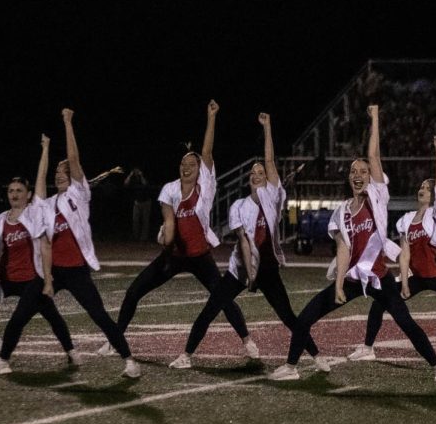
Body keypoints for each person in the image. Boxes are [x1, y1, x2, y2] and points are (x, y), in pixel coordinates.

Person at [270, 105, 436, 383]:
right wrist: (340, 284)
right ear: (349, 177)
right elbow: (343, 249)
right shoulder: (342, 211)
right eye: (353, 171)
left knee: (405, 322)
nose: (358, 174)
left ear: (371, 177)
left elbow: (373, 155)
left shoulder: (377, 198)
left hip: (380, 278)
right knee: (306, 315)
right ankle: (293, 366)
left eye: (363, 171)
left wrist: (376, 119)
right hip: (355, 278)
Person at [104, 100, 257, 358]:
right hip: (173, 257)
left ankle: (247, 340)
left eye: (192, 165)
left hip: (200, 258)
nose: (186, 167)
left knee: (222, 298)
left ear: (200, 171)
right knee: (133, 292)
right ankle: (114, 341)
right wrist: (166, 240)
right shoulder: (169, 189)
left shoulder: (205, 188)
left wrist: (211, 117)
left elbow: (206, 152)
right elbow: (170, 220)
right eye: (183, 164)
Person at [170, 113, 324, 369]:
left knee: (287, 316)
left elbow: (270, 160)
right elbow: (242, 240)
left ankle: (318, 356)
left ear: (267, 177)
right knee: (211, 308)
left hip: (268, 270)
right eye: (253, 172)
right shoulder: (238, 206)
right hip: (241, 269)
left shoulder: (274, 196)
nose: (257, 173)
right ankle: (186, 355)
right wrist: (249, 272)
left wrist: (267, 128)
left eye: (261, 171)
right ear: (248, 179)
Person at [347, 133, 436, 362]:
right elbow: (405, 254)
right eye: (421, 186)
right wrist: (403, 281)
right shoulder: (407, 219)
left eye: (426, 187)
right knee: (380, 302)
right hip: (418, 277)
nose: (422, 189)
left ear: (434, 196)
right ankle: (368, 348)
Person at [41, 109, 140, 378]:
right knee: (30, 305)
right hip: (54, 271)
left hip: (75, 270)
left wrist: (68, 123)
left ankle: (129, 360)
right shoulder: (50, 205)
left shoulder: (79, 193)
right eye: (57, 173)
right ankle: (65, 352)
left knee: (99, 315)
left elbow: (73, 158)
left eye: (64, 172)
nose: (60, 175)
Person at [0, 140, 77, 374]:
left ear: (29, 194)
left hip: (33, 279)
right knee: (51, 314)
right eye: (11, 190)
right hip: (8, 280)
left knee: (22, 319)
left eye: (20, 190)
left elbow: (41, 181)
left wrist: (45, 151)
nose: (14, 194)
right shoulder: (0, 219)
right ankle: (72, 351)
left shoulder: (35, 212)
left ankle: (3, 361)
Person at [124, 167, 155, 241]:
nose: (136, 172)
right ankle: (135, 237)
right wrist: (130, 175)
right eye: (135, 170)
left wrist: (141, 176)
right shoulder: (133, 178)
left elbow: (145, 184)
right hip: (137, 202)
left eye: (137, 170)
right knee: (135, 220)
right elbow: (125, 184)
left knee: (145, 221)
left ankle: (143, 238)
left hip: (146, 202)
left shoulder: (144, 177)